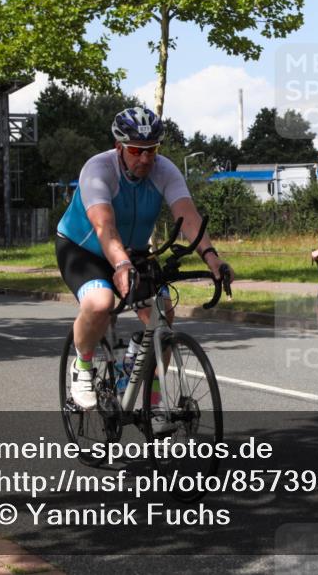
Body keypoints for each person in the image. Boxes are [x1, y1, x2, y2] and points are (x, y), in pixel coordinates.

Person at [55, 106, 233, 431]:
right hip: (84, 249)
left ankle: (148, 395)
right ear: (119, 146)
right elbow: (104, 226)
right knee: (100, 303)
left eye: (152, 150)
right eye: (137, 151)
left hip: (133, 251)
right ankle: (82, 367)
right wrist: (120, 264)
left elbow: (188, 216)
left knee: (161, 314)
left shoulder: (164, 170)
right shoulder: (98, 169)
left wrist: (212, 259)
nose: (145, 159)